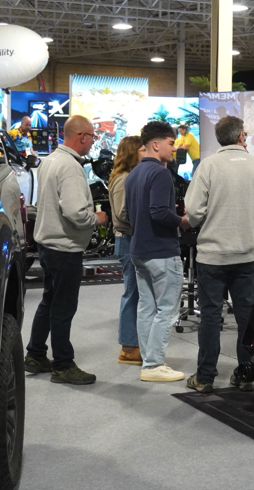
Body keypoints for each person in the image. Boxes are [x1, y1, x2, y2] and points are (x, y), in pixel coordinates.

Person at [183, 116, 254, 394]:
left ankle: (204, 378)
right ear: (241, 137)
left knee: (211, 317)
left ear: (219, 138)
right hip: (246, 255)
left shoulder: (208, 166)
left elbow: (193, 213)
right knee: (246, 317)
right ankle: (245, 374)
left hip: (212, 256)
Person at [25, 115, 108, 385]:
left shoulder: (49, 160)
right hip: (65, 247)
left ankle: (36, 355)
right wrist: (97, 218)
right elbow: (75, 211)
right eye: (93, 137)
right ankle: (63, 365)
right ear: (81, 136)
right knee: (63, 307)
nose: (93, 141)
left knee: (49, 300)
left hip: (49, 243)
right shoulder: (71, 167)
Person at [126, 121, 190, 382]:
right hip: (161, 251)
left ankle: (148, 362)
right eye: (171, 143)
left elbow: (129, 214)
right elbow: (159, 212)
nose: (174, 149)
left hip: (139, 249)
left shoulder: (133, 174)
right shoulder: (161, 174)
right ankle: (153, 365)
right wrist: (183, 221)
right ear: (156, 144)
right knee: (167, 310)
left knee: (146, 308)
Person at [108, 136, 146, 365]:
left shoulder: (126, 177)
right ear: (133, 152)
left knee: (135, 293)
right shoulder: (123, 179)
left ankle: (132, 343)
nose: (145, 153)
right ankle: (129, 346)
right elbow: (124, 213)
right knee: (132, 294)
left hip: (130, 239)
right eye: (142, 149)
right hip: (129, 239)